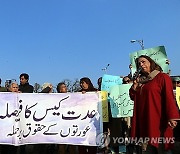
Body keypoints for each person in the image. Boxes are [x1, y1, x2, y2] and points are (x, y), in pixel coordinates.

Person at [129, 55, 179, 154]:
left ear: (151, 63)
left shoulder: (162, 77)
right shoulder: (141, 82)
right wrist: (134, 86)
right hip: (144, 121)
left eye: (143, 62)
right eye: (139, 63)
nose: (141, 65)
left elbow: (169, 97)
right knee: (147, 149)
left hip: (159, 120)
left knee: (162, 147)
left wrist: (172, 116)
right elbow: (133, 97)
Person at [78, 77, 97, 154]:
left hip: (93, 121)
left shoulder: (95, 92)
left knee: (92, 140)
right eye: (81, 83)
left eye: (83, 83)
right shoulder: (79, 93)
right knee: (81, 141)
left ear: (88, 83)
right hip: (82, 121)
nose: (81, 85)